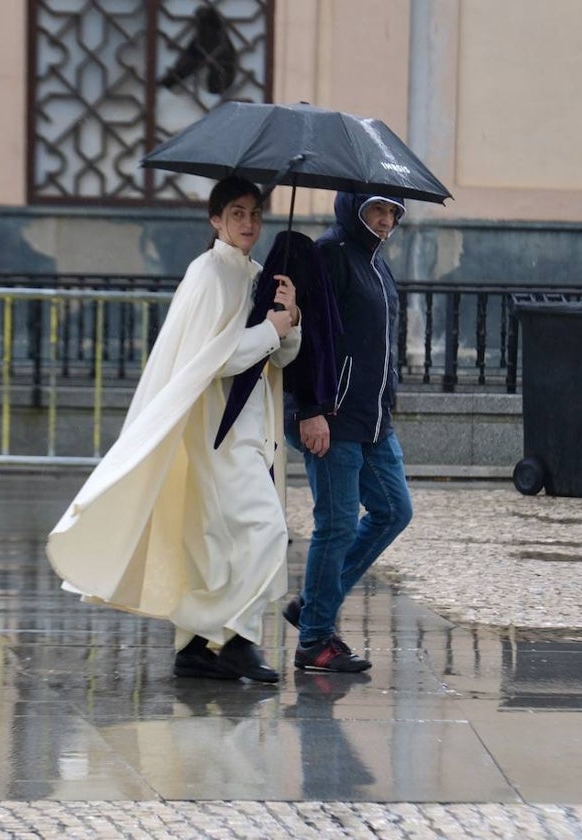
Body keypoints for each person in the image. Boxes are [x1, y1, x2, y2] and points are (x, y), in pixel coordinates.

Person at [46, 176, 301, 683]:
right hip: (213, 430)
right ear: (215, 220)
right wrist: (271, 331)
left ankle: (197, 648)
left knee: (217, 541)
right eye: (236, 213)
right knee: (265, 532)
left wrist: (289, 317)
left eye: (254, 213)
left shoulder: (259, 274)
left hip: (248, 428)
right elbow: (216, 358)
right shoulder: (207, 274)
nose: (248, 223)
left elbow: (280, 355)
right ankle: (237, 637)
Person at [283, 193, 415, 673]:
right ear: (353, 208)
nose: (386, 220)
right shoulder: (331, 255)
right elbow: (306, 339)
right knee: (337, 525)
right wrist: (310, 409)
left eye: (393, 213)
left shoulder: (375, 263)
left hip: (372, 419)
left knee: (393, 510)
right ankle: (314, 639)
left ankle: (313, 603)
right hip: (332, 418)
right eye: (377, 210)